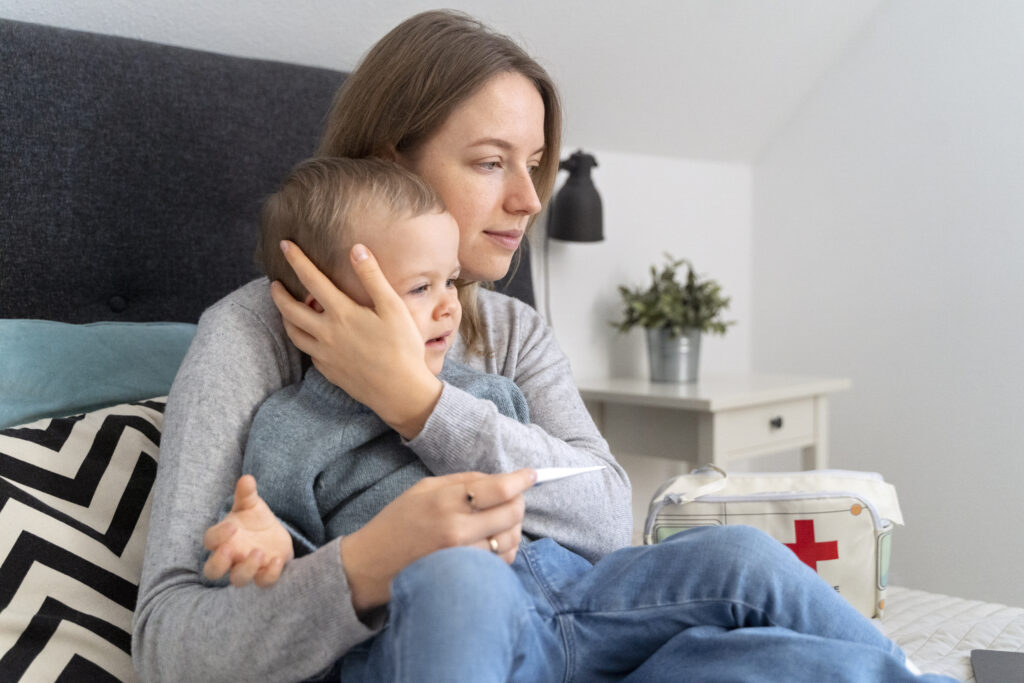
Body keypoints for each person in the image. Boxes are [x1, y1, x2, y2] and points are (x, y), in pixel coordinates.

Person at [133, 9, 955, 682]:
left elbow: (604, 517)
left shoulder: (511, 330)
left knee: (785, 621)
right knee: (459, 579)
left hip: (587, 618)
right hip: (448, 635)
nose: (529, 199)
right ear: (396, 165)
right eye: (492, 162)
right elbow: (170, 639)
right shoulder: (256, 339)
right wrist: (368, 561)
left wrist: (418, 402)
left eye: (535, 163)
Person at [202, 156, 533, 585]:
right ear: (325, 307)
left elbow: (553, 515)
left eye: (450, 281)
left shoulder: (492, 396)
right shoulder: (291, 430)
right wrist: (270, 548)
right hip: (426, 604)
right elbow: (286, 557)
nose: (450, 306)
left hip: (547, 589)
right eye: (420, 287)